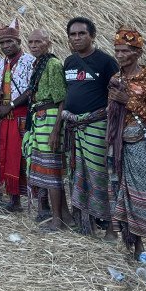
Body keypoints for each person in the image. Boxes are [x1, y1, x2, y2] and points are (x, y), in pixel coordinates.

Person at [105, 27, 146, 267]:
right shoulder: (116, 78)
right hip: (118, 145)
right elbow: (111, 111)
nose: (120, 55)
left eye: (125, 51)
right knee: (124, 196)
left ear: (137, 53)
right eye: (117, 50)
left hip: (139, 144)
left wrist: (129, 101)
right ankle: (138, 246)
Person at [58, 16, 119, 235]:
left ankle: (111, 227)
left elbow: (115, 96)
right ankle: (87, 224)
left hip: (96, 127)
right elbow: (67, 93)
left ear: (92, 36)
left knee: (100, 175)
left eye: (82, 33)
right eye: (73, 34)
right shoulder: (69, 62)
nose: (77, 38)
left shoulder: (106, 62)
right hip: (73, 128)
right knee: (78, 175)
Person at [22, 29, 71, 231]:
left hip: (50, 119)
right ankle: (65, 215)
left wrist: (55, 130)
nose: (33, 45)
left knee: (51, 170)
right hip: (40, 118)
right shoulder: (39, 64)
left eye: (38, 42)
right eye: (31, 42)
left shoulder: (52, 64)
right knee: (47, 168)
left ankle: (58, 219)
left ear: (48, 43)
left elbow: (62, 99)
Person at [0, 20, 35, 212]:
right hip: (6, 116)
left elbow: (30, 90)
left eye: (9, 41)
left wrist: (10, 105)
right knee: (7, 155)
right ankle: (13, 199)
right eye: (2, 43)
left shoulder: (29, 61)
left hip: (21, 115)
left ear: (18, 42)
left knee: (21, 156)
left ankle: (33, 201)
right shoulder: (2, 63)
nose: (6, 46)